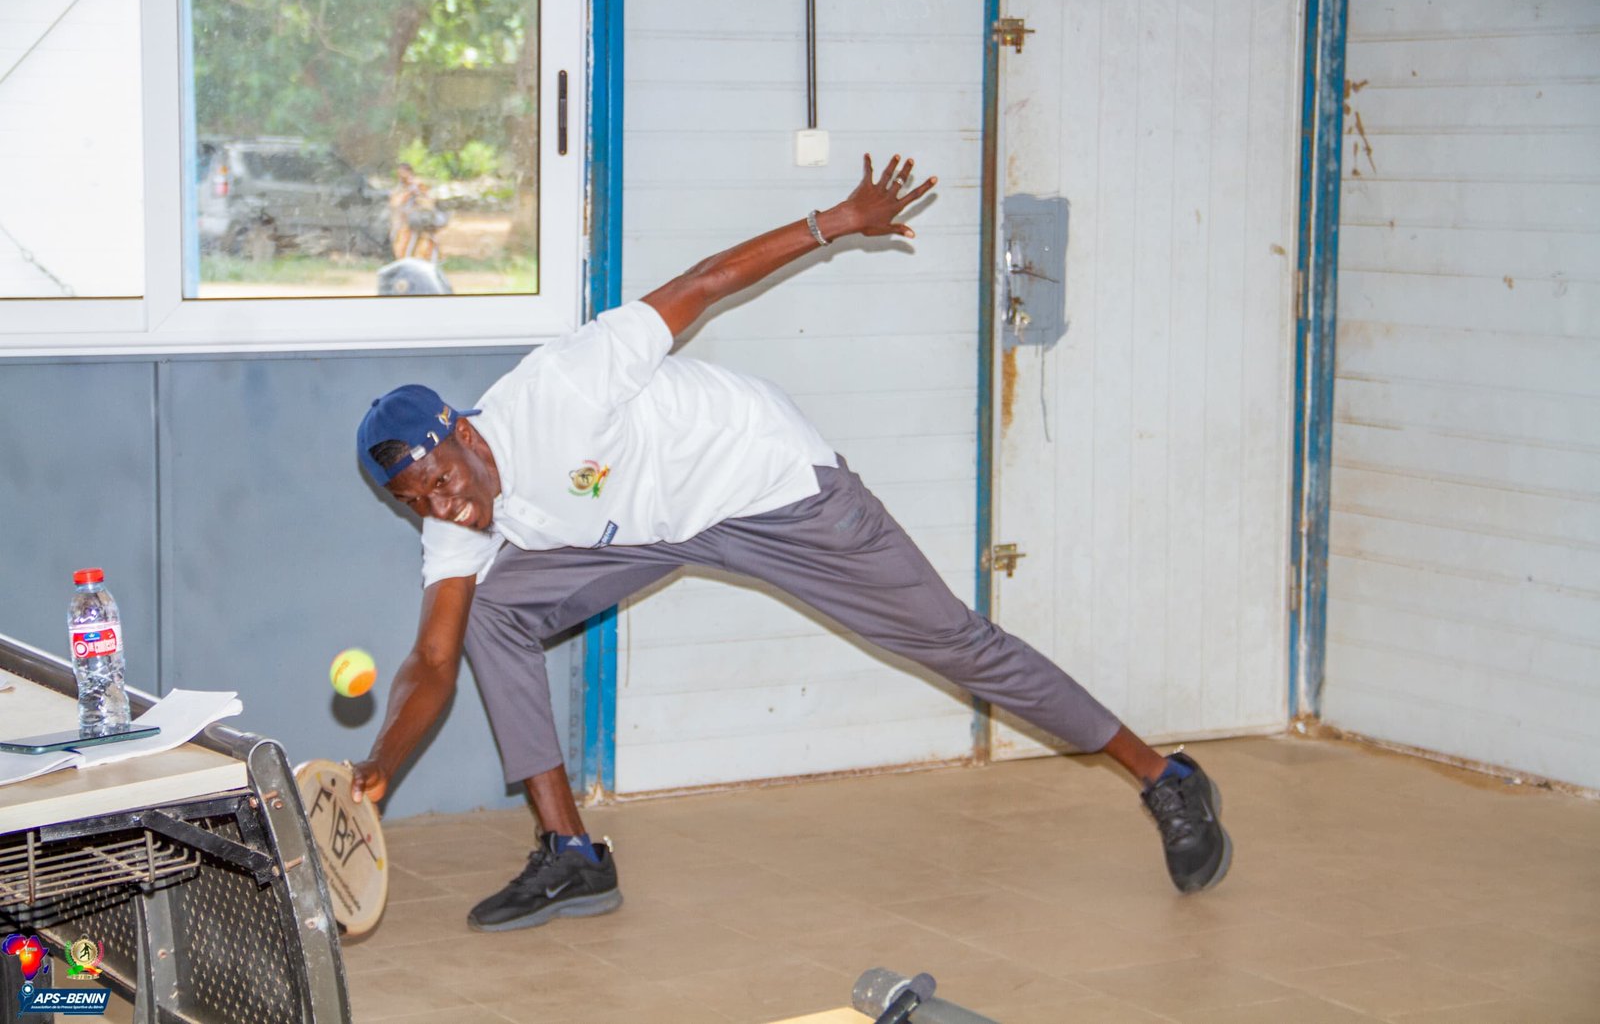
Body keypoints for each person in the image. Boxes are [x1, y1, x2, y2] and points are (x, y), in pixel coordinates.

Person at [351, 153, 1232, 933]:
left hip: (767, 484)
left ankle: (1165, 777)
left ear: (462, 430)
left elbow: (704, 282)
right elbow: (433, 659)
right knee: (491, 612)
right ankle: (571, 853)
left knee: (955, 642)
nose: (443, 507)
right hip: (653, 526)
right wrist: (382, 765)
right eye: (416, 501)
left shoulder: (561, 388)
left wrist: (837, 221)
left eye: (441, 480)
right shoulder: (453, 519)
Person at [388, 162, 443, 261]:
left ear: (409, 172)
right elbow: (395, 202)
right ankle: (405, 260)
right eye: (399, 173)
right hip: (404, 220)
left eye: (403, 173)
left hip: (418, 218)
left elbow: (427, 201)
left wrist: (415, 198)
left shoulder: (417, 185)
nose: (401, 176)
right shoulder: (400, 186)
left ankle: (431, 259)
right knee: (401, 241)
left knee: (423, 240)